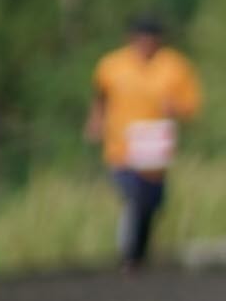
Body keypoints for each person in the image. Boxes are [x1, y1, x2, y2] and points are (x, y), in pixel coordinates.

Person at [86, 16, 204, 267]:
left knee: (151, 201)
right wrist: (95, 122)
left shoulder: (174, 66)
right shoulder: (112, 65)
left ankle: (139, 253)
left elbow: (191, 106)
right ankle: (128, 253)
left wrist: (175, 108)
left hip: (155, 145)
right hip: (121, 144)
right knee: (133, 194)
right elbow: (100, 96)